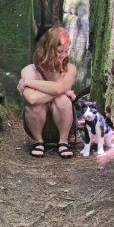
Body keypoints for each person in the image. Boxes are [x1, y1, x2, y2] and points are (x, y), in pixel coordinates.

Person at [18, 25, 77, 158]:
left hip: (65, 127)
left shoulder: (70, 69)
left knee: (62, 100)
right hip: (36, 126)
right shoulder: (29, 70)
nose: (64, 56)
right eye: (60, 51)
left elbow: (58, 89)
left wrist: (28, 82)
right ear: (48, 49)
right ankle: (39, 142)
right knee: (36, 105)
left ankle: (63, 142)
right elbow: (32, 98)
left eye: (66, 51)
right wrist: (63, 91)